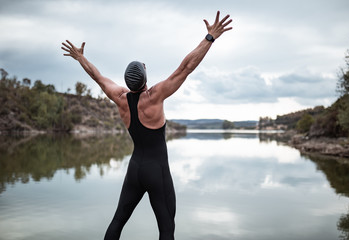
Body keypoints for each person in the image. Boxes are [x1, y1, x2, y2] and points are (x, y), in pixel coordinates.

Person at [61, 11, 232, 240]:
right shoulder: (154, 97)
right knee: (166, 228)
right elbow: (185, 68)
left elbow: (98, 77)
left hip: (135, 168)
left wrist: (81, 58)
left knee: (118, 221)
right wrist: (209, 38)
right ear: (144, 78)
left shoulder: (119, 97)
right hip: (156, 170)